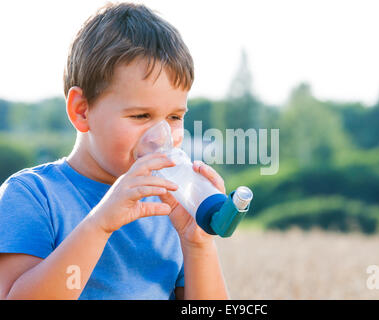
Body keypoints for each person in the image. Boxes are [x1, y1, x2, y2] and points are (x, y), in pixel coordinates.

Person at [0, 2, 229, 300]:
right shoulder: (33, 196)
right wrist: (100, 224)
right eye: (140, 116)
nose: (161, 137)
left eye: (174, 117)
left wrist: (197, 243)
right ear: (82, 111)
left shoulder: (170, 207)